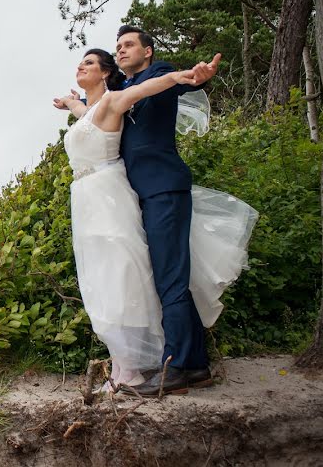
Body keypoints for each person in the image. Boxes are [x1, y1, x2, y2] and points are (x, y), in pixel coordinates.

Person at [53, 42, 257, 395]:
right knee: (100, 280)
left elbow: (150, 86)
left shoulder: (116, 100)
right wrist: (69, 103)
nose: (80, 66)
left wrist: (184, 77)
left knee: (124, 275)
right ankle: (124, 364)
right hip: (86, 202)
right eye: (79, 62)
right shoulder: (88, 110)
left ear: (106, 72)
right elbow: (82, 112)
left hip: (109, 195)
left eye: (90, 62)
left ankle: (142, 365)